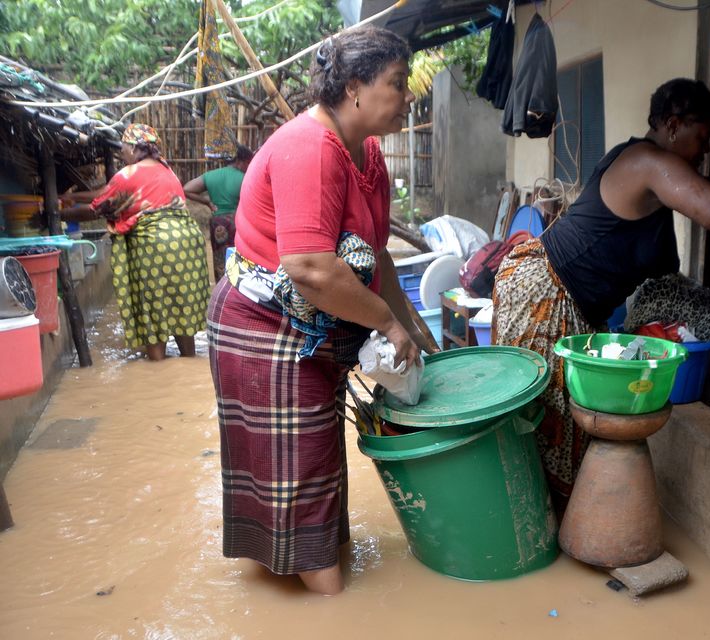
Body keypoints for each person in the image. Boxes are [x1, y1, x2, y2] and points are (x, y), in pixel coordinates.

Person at [493, 78, 710, 511]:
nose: (704, 151)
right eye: (702, 139)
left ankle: (563, 532)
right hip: (545, 294)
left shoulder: (654, 171)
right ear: (673, 125)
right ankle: (527, 529)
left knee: (565, 433)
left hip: (572, 303)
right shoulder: (646, 162)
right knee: (544, 425)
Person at [207, 26, 434, 596]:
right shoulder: (309, 148)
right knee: (300, 466)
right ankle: (329, 602)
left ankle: (309, 570)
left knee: (318, 463)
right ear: (355, 87)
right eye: (397, 84)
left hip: (314, 326)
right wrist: (384, 322)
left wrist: (414, 328)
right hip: (266, 331)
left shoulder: (369, 153)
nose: (408, 97)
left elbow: (376, 253)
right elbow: (309, 266)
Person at [60, 123, 212, 361]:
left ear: (133, 147)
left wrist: (56, 211)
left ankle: (158, 369)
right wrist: (71, 197)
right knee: (181, 311)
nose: (121, 152)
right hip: (188, 244)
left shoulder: (127, 175)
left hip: (154, 245)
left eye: (123, 146)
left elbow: (96, 208)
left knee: (153, 311)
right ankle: (188, 360)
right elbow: (107, 192)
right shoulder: (166, 170)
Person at [183, 145, 254, 279]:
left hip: (217, 224)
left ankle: (221, 290)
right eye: (248, 163)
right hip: (237, 222)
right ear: (242, 161)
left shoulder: (211, 175)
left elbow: (187, 189)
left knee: (220, 259)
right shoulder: (245, 178)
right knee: (240, 259)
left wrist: (207, 202)